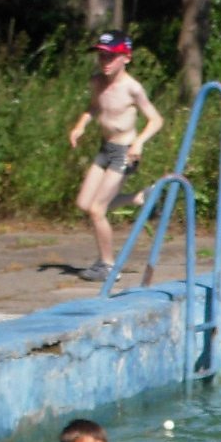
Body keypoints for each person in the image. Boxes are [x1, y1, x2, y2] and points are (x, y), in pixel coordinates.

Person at [68, 31, 164, 283]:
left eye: (111, 56)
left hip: (125, 152)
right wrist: (80, 126)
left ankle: (108, 265)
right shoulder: (97, 82)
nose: (105, 61)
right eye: (101, 56)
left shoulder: (132, 88)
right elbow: (94, 106)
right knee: (84, 204)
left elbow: (156, 120)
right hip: (105, 149)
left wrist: (139, 142)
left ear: (126, 58)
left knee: (97, 210)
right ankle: (140, 197)